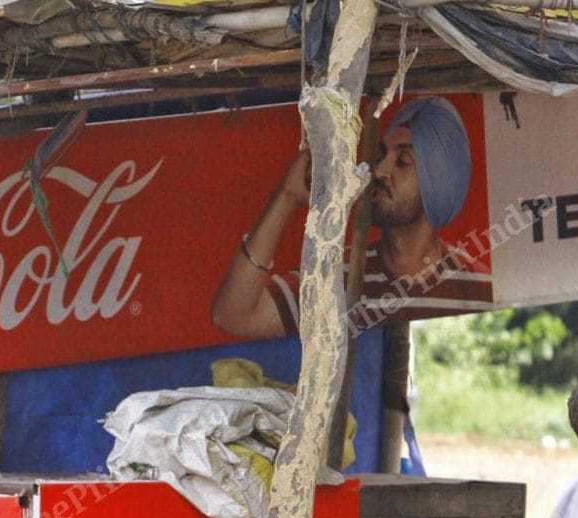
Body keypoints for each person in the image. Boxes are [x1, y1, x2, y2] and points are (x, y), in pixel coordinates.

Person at [210, 96, 492, 338]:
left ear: (440, 181)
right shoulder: (334, 279)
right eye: (380, 156)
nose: (379, 171)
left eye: (403, 162)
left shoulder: (481, 289)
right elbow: (232, 316)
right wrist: (285, 197)